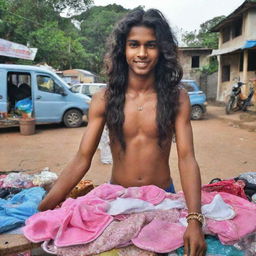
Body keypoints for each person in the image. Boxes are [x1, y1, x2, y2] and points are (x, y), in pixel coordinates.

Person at [38, 8, 206, 256]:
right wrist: (44, 208)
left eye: (151, 45)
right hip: (117, 199)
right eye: (134, 45)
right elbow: (82, 158)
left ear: (162, 51)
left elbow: (186, 158)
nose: (141, 53)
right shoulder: (104, 98)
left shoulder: (176, 97)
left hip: (163, 198)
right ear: (123, 49)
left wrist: (194, 220)